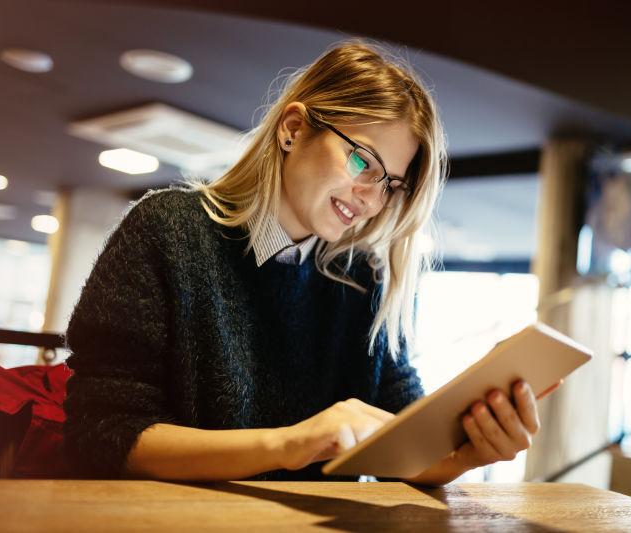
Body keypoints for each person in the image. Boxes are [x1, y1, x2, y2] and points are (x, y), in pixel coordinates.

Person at [62, 39, 556, 486]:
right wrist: (294, 442)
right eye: (363, 162)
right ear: (293, 129)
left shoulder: (360, 281)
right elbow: (104, 436)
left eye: (392, 185)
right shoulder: (168, 230)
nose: (372, 198)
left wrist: (472, 446)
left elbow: (404, 453)